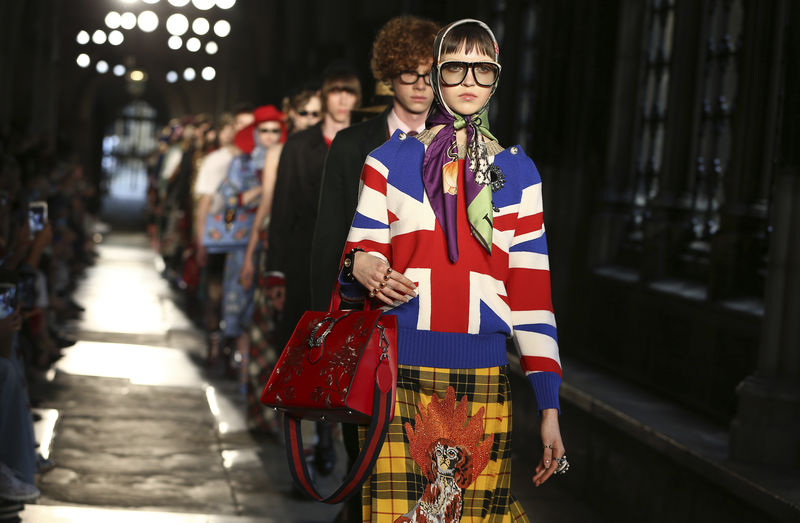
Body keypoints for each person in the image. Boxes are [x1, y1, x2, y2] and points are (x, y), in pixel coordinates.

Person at [341, 19, 566, 521]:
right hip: (398, 371)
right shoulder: (387, 162)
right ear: (438, 73)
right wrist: (366, 266)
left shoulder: (518, 173)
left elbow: (531, 293)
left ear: (496, 78)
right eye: (456, 66)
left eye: (483, 69)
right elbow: (358, 252)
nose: (469, 80)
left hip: (483, 375)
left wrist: (549, 407)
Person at [265, 66, 360, 475]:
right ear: (324, 97)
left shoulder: (365, 142)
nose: (341, 100)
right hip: (303, 259)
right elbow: (282, 207)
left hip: (349, 261)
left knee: (342, 351)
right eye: (335, 92)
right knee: (306, 349)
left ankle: (326, 437)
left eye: (348, 92)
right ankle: (306, 440)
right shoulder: (300, 144)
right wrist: (276, 272)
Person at [310, 15, 439, 312]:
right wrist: (323, 319)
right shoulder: (349, 143)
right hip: (359, 303)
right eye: (408, 73)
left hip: (430, 304)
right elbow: (329, 237)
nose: (420, 85)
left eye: (429, 74)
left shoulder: (454, 147)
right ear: (390, 74)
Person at [239, 88, 321, 434]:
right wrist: (249, 256)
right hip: (278, 244)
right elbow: (268, 206)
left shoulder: (327, 148)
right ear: (291, 115)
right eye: (303, 114)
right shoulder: (280, 150)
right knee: (270, 331)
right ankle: (265, 416)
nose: (309, 121)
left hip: (311, 248)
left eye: (316, 115)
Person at [220, 105, 285, 394]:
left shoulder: (285, 158)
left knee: (263, 312)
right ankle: (244, 376)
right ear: (255, 133)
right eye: (264, 131)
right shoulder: (241, 164)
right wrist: (265, 187)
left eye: (275, 130)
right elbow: (232, 201)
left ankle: (256, 379)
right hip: (242, 243)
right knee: (241, 305)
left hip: (272, 241)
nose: (270, 136)